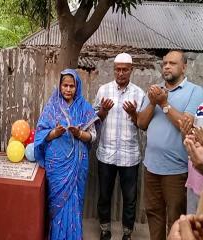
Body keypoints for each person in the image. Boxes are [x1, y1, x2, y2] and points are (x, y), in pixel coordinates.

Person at [137, 50, 203, 240]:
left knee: (176, 220)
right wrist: (152, 102)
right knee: (153, 214)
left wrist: (164, 104)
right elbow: (141, 123)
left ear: (184, 67)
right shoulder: (154, 90)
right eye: (164, 63)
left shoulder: (195, 91)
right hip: (151, 167)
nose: (166, 66)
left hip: (176, 170)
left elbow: (186, 125)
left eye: (172, 63)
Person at [34, 69, 99, 239]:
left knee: (74, 203)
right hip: (57, 166)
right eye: (65, 85)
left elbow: (93, 135)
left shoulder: (84, 107)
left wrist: (79, 134)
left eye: (72, 86)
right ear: (60, 86)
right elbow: (41, 134)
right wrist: (55, 133)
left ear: (77, 87)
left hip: (77, 165)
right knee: (57, 205)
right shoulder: (51, 107)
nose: (68, 89)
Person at [93, 53, 145, 240]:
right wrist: (103, 111)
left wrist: (133, 114)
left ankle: (127, 233)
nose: (121, 73)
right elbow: (94, 120)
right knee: (104, 195)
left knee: (130, 199)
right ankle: (105, 229)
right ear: (113, 69)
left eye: (124, 69)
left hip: (129, 156)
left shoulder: (139, 94)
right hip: (106, 154)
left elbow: (143, 124)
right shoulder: (103, 90)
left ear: (131, 70)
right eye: (117, 69)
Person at [179, 103, 203, 215]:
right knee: (193, 226)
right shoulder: (201, 107)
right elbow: (196, 136)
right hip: (195, 179)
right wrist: (187, 135)